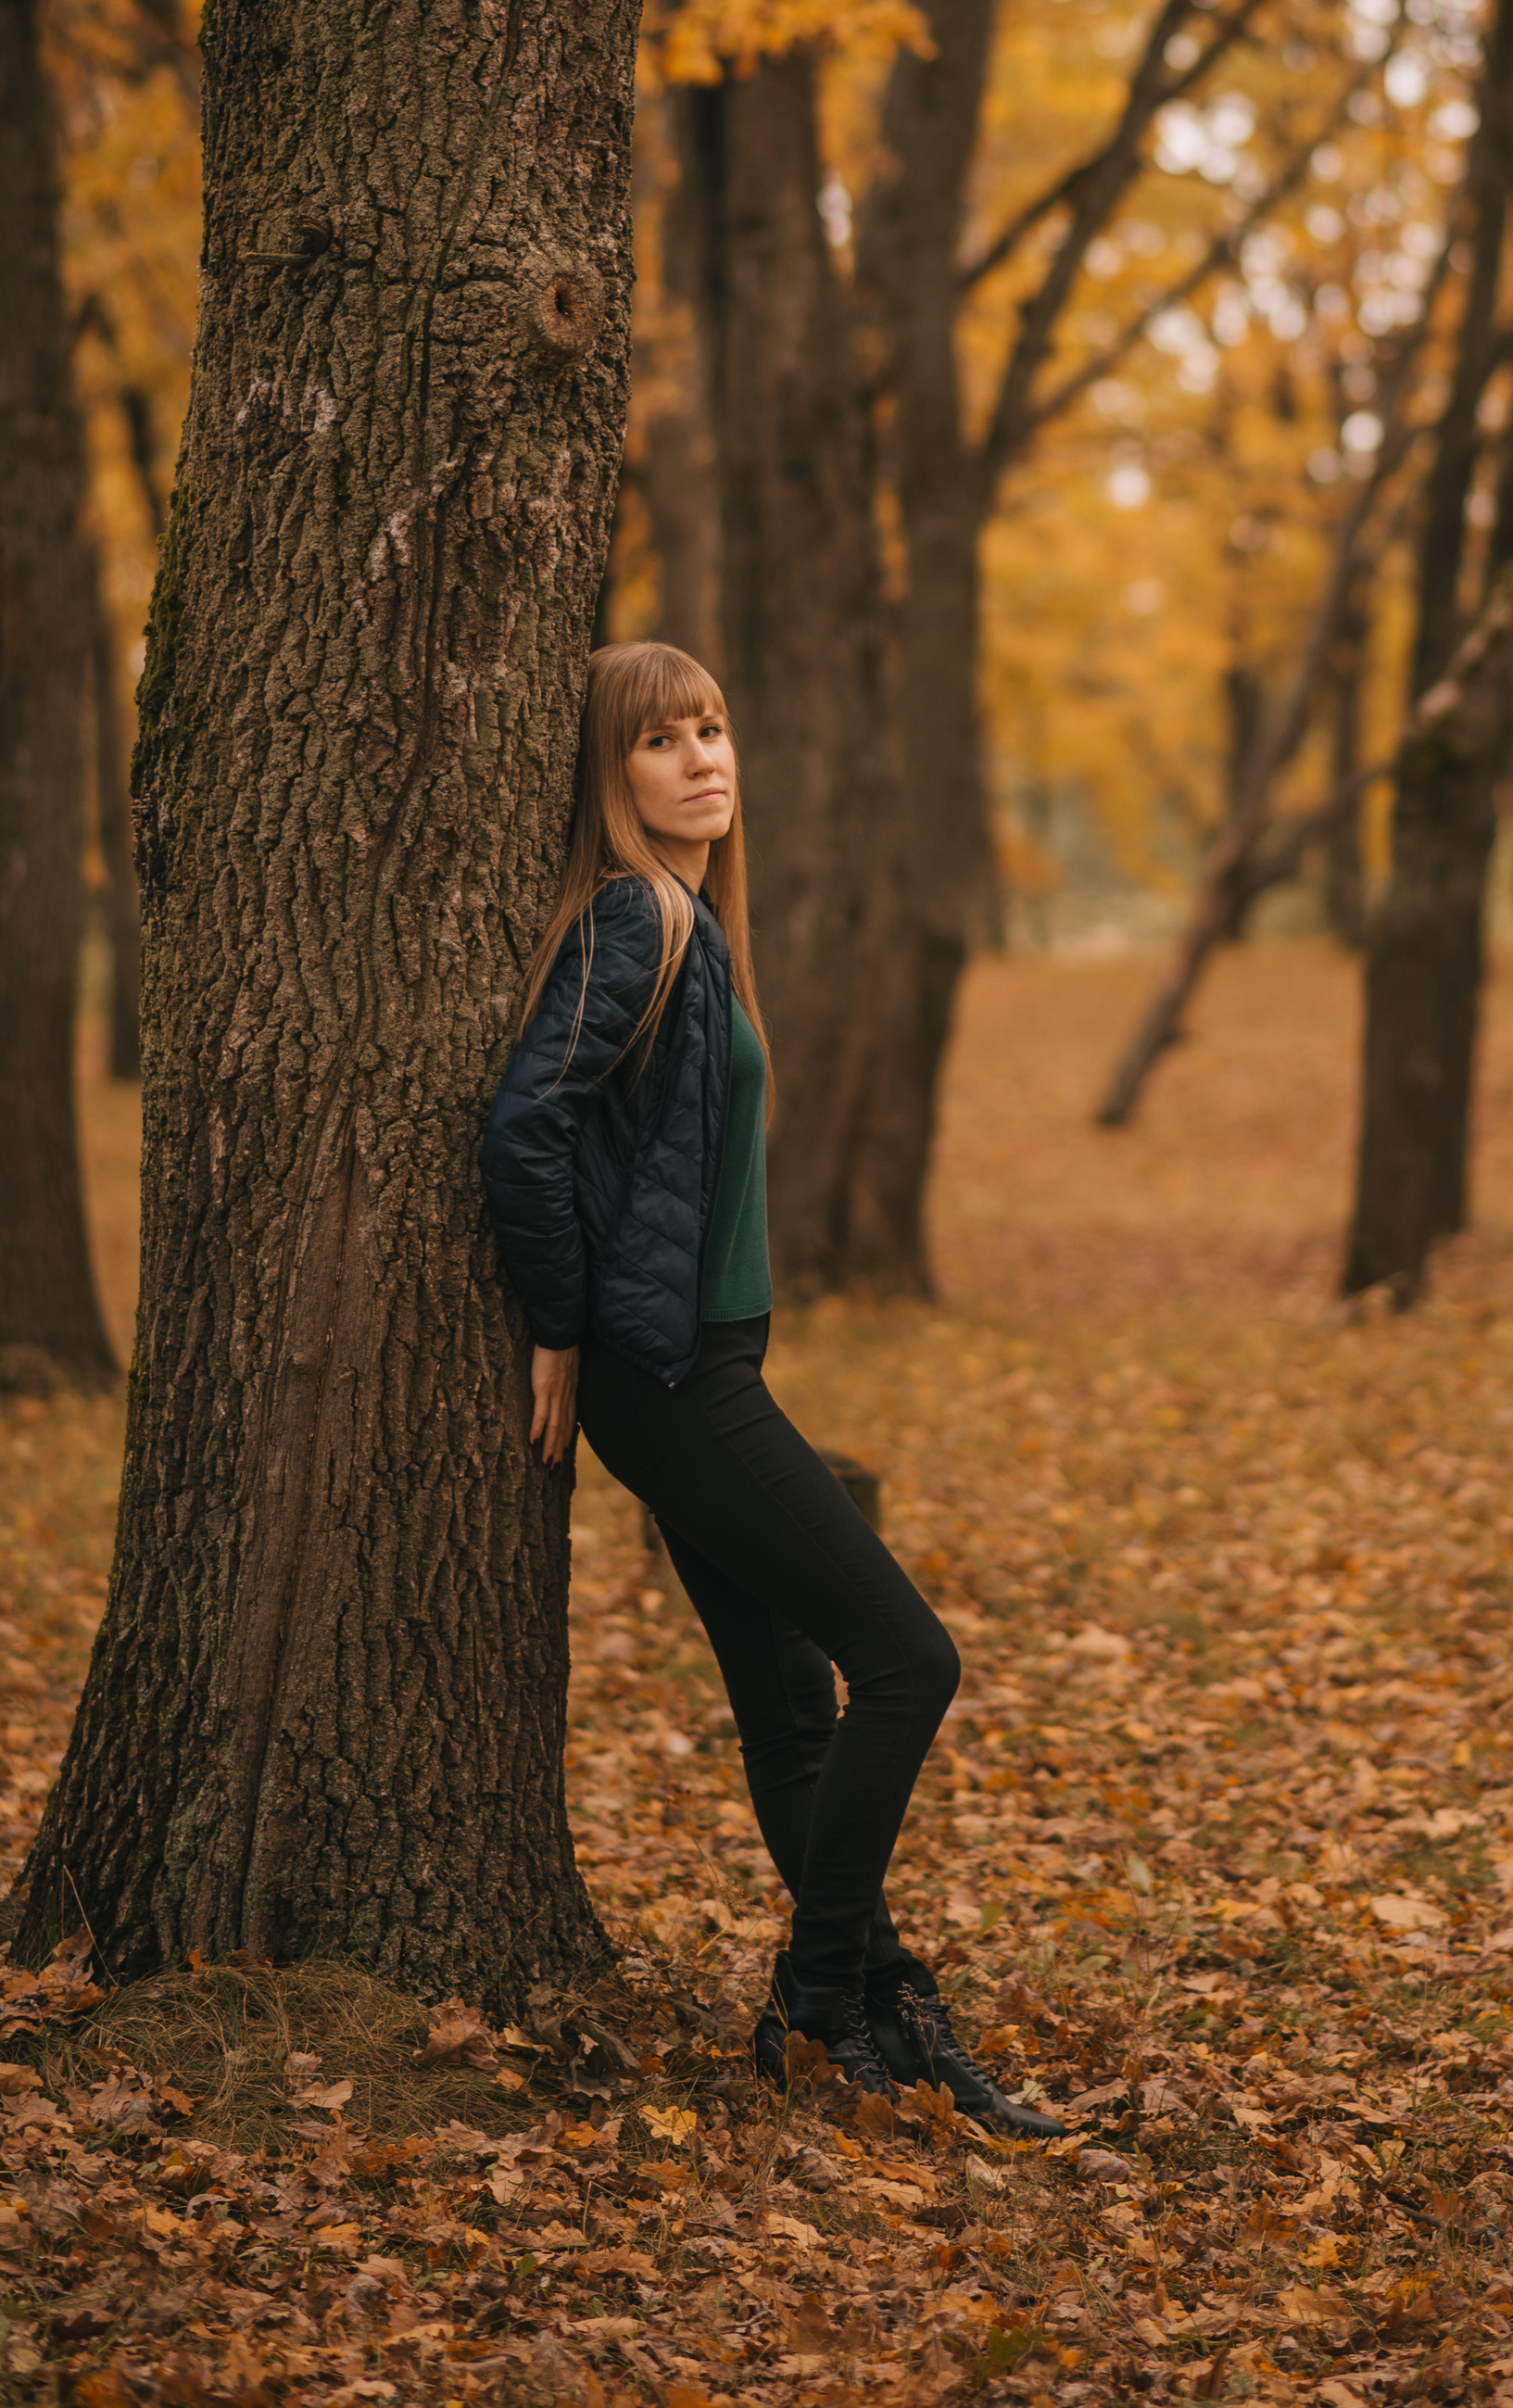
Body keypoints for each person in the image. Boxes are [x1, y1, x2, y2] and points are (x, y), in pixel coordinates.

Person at [480, 638, 1062, 2134]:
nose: (703, 758)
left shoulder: (690, 921)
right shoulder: (633, 916)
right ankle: (820, 1987)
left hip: (707, 1356)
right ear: (611, 778)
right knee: (910, 1662)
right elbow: (526, 1124)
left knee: (796, 1707)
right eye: (663, 740)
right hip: (666, 1373)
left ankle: (879, 1999)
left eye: (715, 728)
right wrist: (561, 1323)